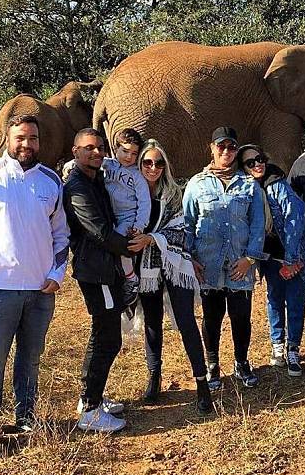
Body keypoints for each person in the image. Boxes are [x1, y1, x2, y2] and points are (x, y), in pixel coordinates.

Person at [0, 115, 70, 456]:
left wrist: (56, 274)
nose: (27, 144)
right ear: (7, 138)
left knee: (31, 357)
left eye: (33, 138)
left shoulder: (51, 180)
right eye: (20, 137)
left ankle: (27, 417)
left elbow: (61, 233)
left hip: (40, 289)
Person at [127, 139, 213, 414]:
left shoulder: (174, 194)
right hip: (146, 268)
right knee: (152, 323)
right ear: (140, 164)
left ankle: (202, 383)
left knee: (187, 321)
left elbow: (182, 231)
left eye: (159, 163)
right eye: (147, 163)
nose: (153, 168)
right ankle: (154, 378)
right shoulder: (131, 196)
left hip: (175, 263)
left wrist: (151, 239)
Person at [183, 127, 265, 391]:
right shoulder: (196, 184)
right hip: (208, 265)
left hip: (240, 265)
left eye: (231, 147)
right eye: (221, 147)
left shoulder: (249, 185)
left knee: (241, 318)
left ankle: (241, 362)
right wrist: (191, 259)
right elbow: (187, 223)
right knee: (211, 317)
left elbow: (257, 225)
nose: (226, 152)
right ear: (212, 148)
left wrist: (250, 259)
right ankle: (212, 364)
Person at [63, 128, 133, 432]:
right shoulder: (77, 187)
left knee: (102, 335)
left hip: (105, 268)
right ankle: (90, 410)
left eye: (100, 147)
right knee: (108, 337)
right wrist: (136, 244)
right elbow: (100, 232)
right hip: (97, 271)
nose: (96, 152)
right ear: (75, 151)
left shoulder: (96, 181)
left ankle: (90, 397)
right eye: (89, 147)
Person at [238, 144, 305, 377]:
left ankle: (293, 348)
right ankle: (277, 344)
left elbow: (294, 218)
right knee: (274, 299)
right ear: (243, 168)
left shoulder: (277, 185)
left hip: (292, 253)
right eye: (250, 162)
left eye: (260, 159)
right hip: (269, 257)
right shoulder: (248, 189)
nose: (257, 164)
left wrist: (291, 258)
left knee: (296, 301)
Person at [101, 128, 151, 304]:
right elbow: (92, 161)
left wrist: (140, 224)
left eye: (134, 153)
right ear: (116, 149)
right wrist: (72, 165)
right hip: (109, 215)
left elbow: (144, 202)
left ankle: (131, 279)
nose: (129, 157)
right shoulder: (108, 164)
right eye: (125, 151)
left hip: (128, 218)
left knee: (122, 245)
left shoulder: (137, 176)